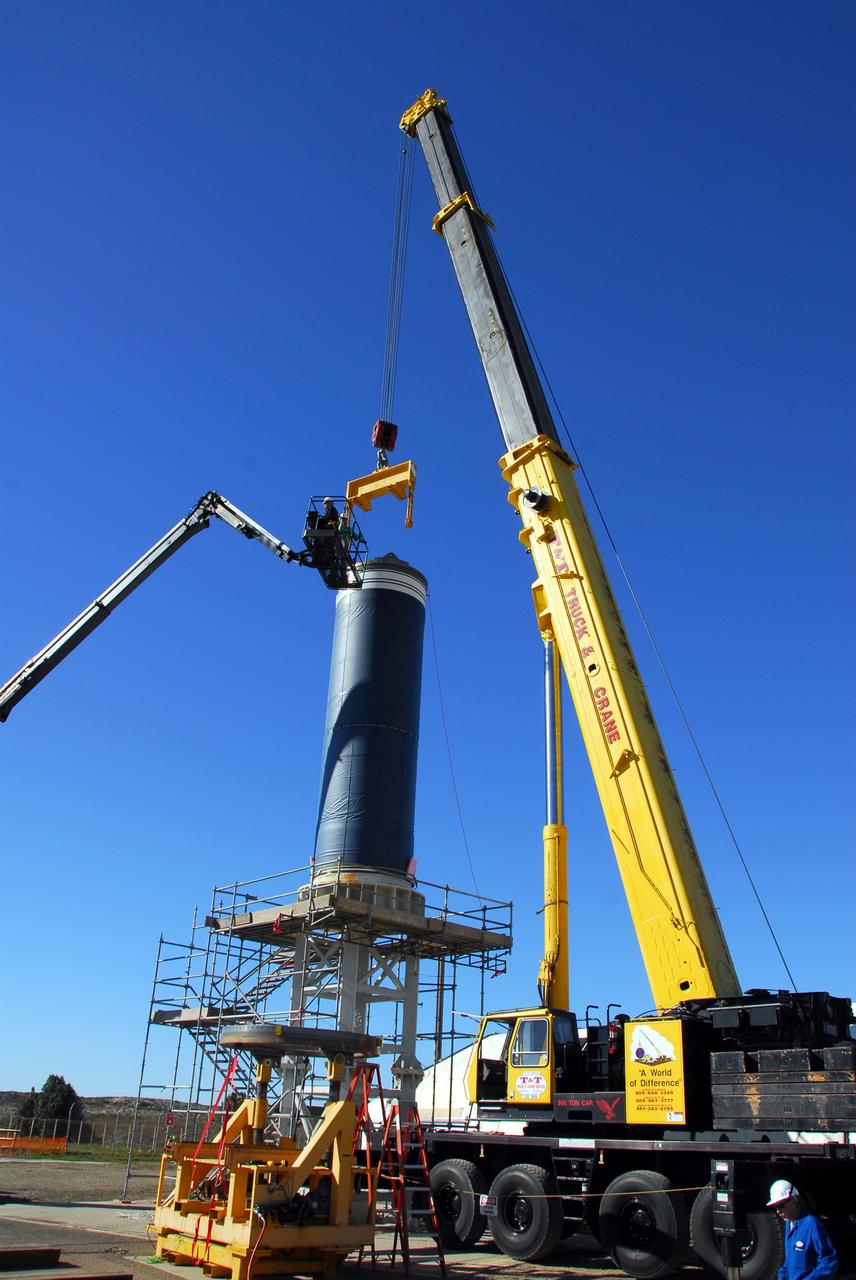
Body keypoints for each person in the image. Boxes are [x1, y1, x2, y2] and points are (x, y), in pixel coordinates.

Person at [768, 1180, 838, 1280]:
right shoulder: (789, 1225)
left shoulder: (812, 1225)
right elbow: (789, 1261)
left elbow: (829, 1261)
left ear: (792, 1201)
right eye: (775, 1207)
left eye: (781, 1206)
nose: (778, 1211)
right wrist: (782, 1275)